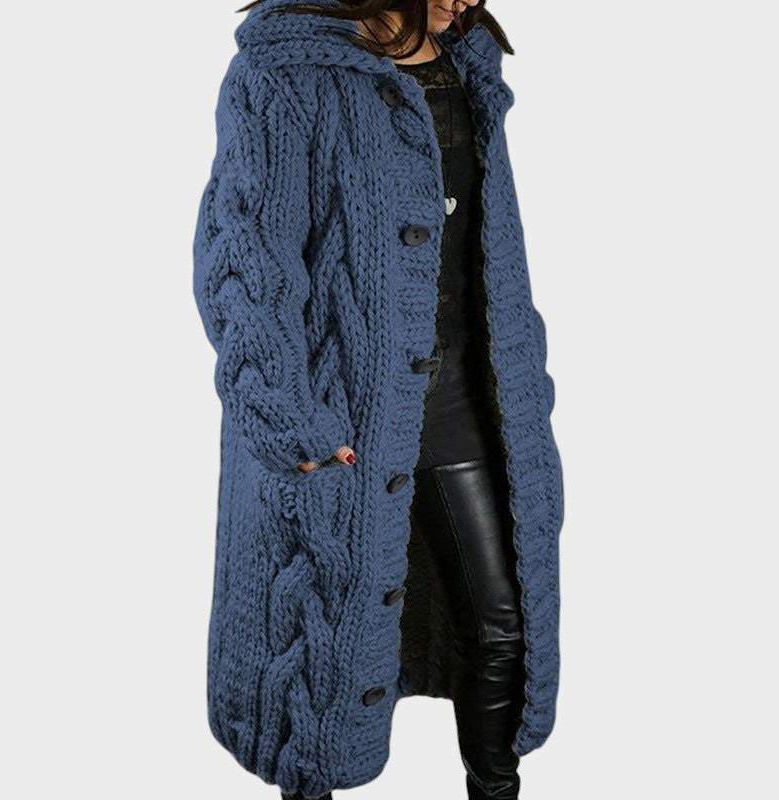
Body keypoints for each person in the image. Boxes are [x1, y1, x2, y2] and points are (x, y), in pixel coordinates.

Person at [192, 2, 565, 799]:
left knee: (503, 623)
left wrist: (527, 371)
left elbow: (491, 243)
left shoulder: (465, 62)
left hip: (468, 399)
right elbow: (244, 263)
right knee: (320, 653)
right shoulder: (285, 71)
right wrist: (291, 421)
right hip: (341, 411)